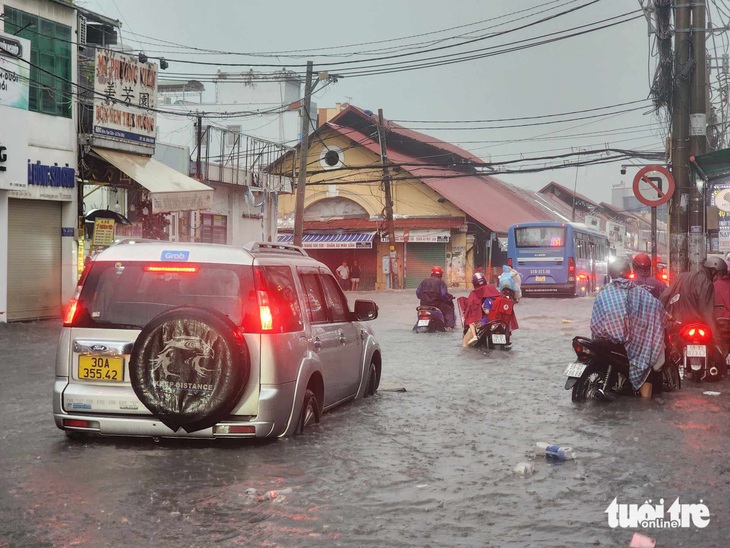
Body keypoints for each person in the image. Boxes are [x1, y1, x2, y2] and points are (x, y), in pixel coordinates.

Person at [591, 258, 667, 398]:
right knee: (647, 362)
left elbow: (596, 322)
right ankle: (645, 404)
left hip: (605, 341)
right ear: (629, 273)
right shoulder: (642, 292)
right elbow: (659, 310)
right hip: (632, 344)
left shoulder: (603, 293)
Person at [660, 256, 727, 343]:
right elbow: (707, 312)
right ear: (713, 271)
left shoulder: (681, 277)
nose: (718, 278)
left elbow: (663, 298)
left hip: (676, 325)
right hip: (697, 328)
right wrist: (716, 337)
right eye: (719, 275)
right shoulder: (706, 283)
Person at [462, 272, 518, 347]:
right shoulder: (492, 290)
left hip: (485, 322)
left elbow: (471, 310)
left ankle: (473, 339)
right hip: (499, 321)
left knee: (465, 344)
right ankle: (507, 340)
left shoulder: (474, 294)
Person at [416, 266, 455, 331]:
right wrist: (448, 298)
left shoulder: (424, 281)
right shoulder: (440, 282)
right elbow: (443, 295)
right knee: (449, 310)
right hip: (436, 304)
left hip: (423, 305)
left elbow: (418, 293)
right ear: (440, 274)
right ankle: (449, 327)